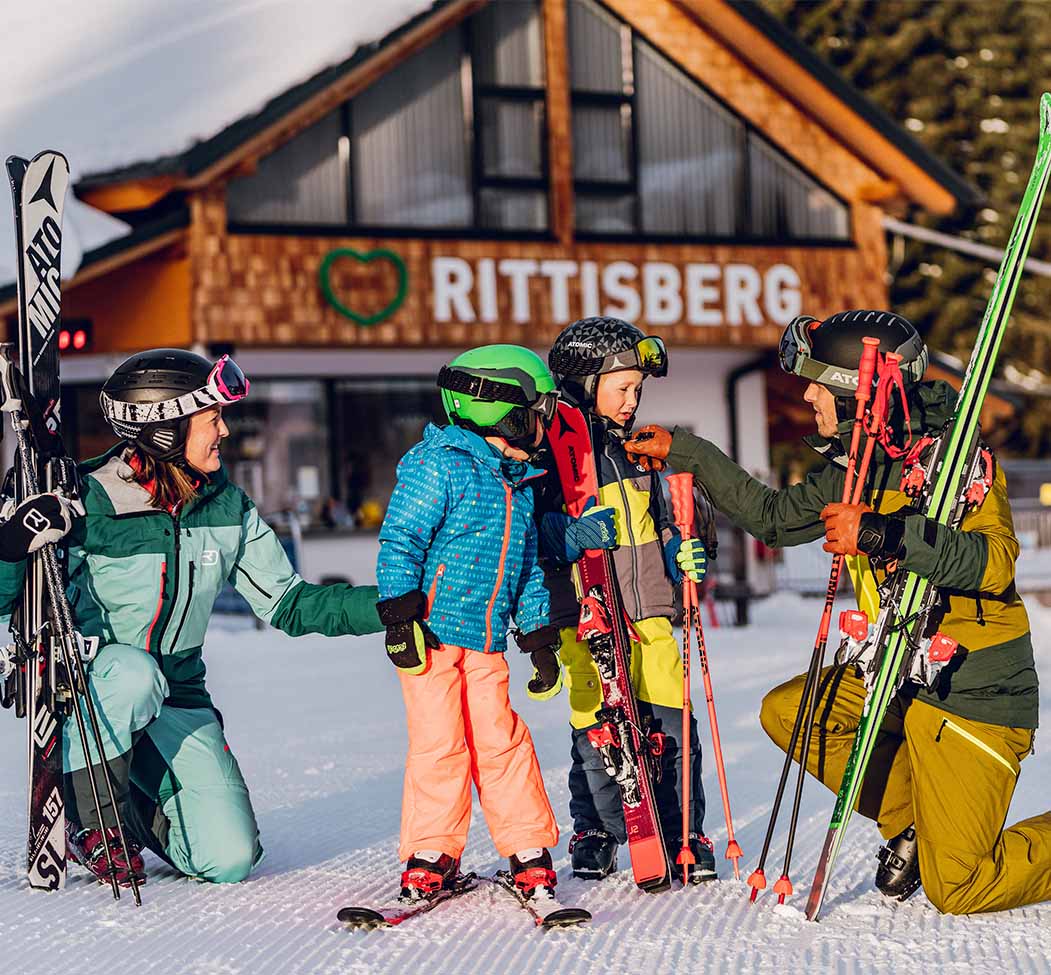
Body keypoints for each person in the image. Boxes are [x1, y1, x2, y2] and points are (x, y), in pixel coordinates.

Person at [625, 309, 1048, 914]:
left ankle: (940, 841)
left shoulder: (954, 461)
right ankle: (917, 825)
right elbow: (771, 518)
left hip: (975, 687)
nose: (806, 394)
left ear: (858, 392)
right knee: (791, 711)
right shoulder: (855, 466)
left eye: (818, 383)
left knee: (958, 888)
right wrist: (686, 451)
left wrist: (883, 533)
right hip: (898, 671)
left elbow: (995, 564)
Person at [0, 349, 384, 887]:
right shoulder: (84, 499)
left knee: (228, 859)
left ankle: (130, 795)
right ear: (165, 430)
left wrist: (387, 606)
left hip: (178, 692)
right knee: (133, 675)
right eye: (212, 420)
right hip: (94, 684)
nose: (225, 431)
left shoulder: (228, 507)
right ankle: (94, 822)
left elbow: (292, 604)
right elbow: (8, 605)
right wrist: (12, 546)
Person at [376, 344, 564, 904]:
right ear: (499, 406)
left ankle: (527, 848)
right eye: (537, 410)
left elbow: (527, 566)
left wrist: (537, 637)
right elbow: (399, 541)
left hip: (485, 645)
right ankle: (432, 853)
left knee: (500, 741)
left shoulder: (517, 481)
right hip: (430, 639)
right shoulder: (436, 464)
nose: (543, 423)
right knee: (440, 743)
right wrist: (399, 615)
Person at [534, 317, 713, 882]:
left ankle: (683, 827)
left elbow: (667, 520)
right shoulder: (548, 460)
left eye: (638, 389)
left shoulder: (637, 453)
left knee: (672, 722)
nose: (633, 400)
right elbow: (528, 535)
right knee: (596, 727)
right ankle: (598, 828)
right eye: (623, 388)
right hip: (584, 616)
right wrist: (568, 537)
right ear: (584, 382)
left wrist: (685, 544)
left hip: (652, 612)